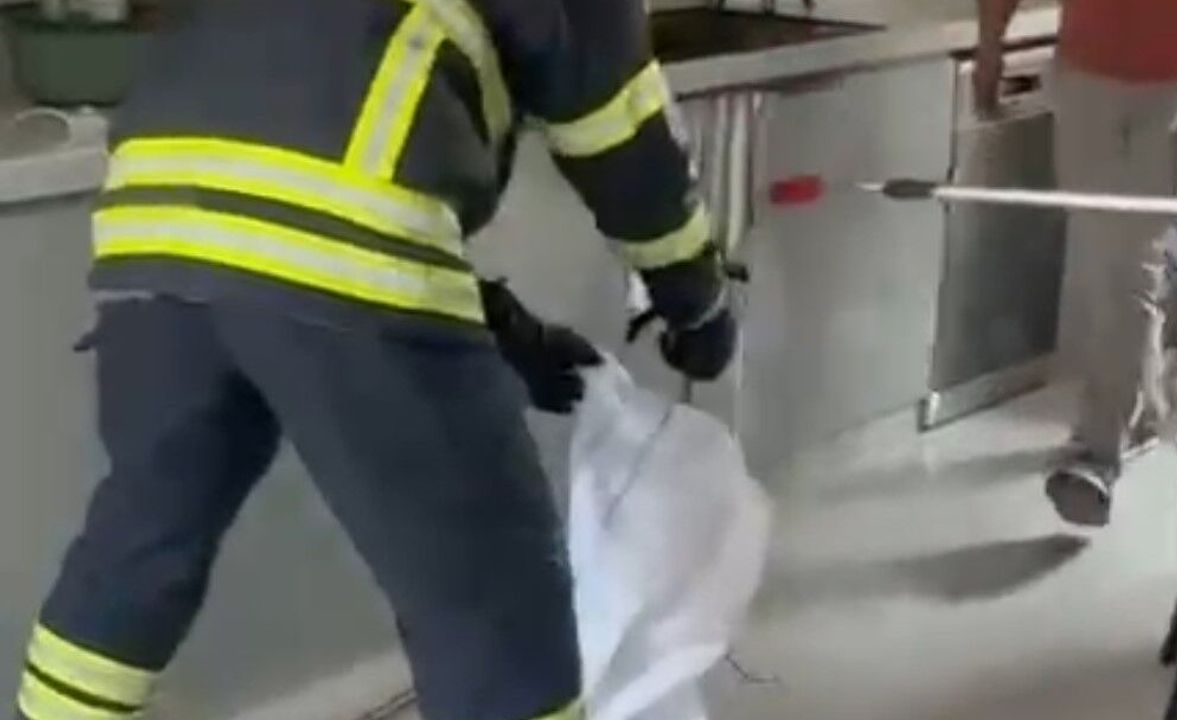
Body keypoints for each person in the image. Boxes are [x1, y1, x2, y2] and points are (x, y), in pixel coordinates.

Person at [9, 0, 737, 719]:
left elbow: (293, 153)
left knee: (139, 545)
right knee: (492, 597)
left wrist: (509, 332)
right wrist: (696, 301)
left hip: (151, 224)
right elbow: (621, 133)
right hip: (340, 228)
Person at [976, 0, 1177, 527]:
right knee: (1117, 264)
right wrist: (990, 50)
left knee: (1143, 264)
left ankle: (1099, 450)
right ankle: (1135, 416)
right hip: (1093, 75)